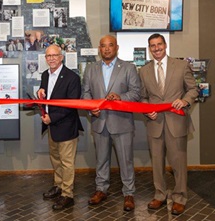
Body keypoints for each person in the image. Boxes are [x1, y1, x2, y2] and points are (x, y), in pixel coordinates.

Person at [138, 33, 198, 216]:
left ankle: (180, 198)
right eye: (152, 46)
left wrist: (185, 101)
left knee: (178, 163)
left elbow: (193, 89)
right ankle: (160, 195)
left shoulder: (181, 66)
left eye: (159, 44)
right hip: (155, 123)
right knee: (157, 163)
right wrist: (147, 109)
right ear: (149, 49)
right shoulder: (144, 71)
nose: (156, 48)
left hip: (176, 122)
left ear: (165, 45)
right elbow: (143, 97)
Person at [82, 35, 141, 212]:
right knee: (101, 160)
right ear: (99, 49)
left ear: (117, 47)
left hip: (122, 123)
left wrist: (121, 97)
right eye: (103, 46)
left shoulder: (129, 68)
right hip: (99, 122)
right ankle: (101, 190)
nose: (107, 49)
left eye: (110, 45)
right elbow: (85, 93)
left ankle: (129, 194)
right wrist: (91, 107)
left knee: (126, 160)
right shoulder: (91, 69)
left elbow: (136, 93)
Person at [37, 45, 83, 210]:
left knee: (66, 162)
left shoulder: (72, 78)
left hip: (66, 127)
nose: (51, 58)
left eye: (55, 55)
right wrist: (40, 92)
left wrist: (52, 118)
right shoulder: (45, 75)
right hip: (51, 127)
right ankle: (58, 185)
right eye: (48, 56)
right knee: (55, 159)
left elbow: (71, 105)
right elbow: (46, 96)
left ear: (61, 57)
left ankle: (67, 194)